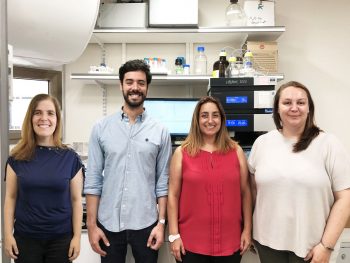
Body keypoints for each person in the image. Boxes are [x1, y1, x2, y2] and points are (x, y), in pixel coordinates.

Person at [248, 81, 350, 263]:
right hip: (267, 242)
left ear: (309, 108)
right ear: (277, 109)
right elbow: (253, 192)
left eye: (301, 103)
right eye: (287, 102)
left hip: (312, 247)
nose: (294, 108)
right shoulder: (262, 143)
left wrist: (326, 246)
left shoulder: (328, 144)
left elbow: (345, 198)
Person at [84, 59, 172, 263]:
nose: (135, 87)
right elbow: (94, 179)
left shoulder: (160, 131)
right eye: (130, 82)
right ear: (121, 85)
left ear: (147, 87)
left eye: (141, 83)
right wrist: (91, 225)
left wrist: (161, 224)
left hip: (146, 224)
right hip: (108, 224)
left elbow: (162, 183)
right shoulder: (101, 128)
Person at [167, 96, 252, 263]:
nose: (210, 120)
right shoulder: (182, 153)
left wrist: (247, 230)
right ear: (197, 120)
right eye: (204, 115)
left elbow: (246, 193)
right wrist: (173, 235)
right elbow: (173, 195)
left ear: (222, 119)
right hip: (190, 243)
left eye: (215, 115)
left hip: (230, 242)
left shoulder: (236, 151)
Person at [4, 94, 84, 263]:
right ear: (30, 118)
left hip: (61, 241)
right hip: (25, 240)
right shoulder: (16, 159)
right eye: (38, 113)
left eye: (50, 113)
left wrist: (77, 237)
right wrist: (7, 235)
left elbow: (76, 200)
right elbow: (10, 199)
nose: (44, 118)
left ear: (57, 119)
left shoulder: (70, 158)